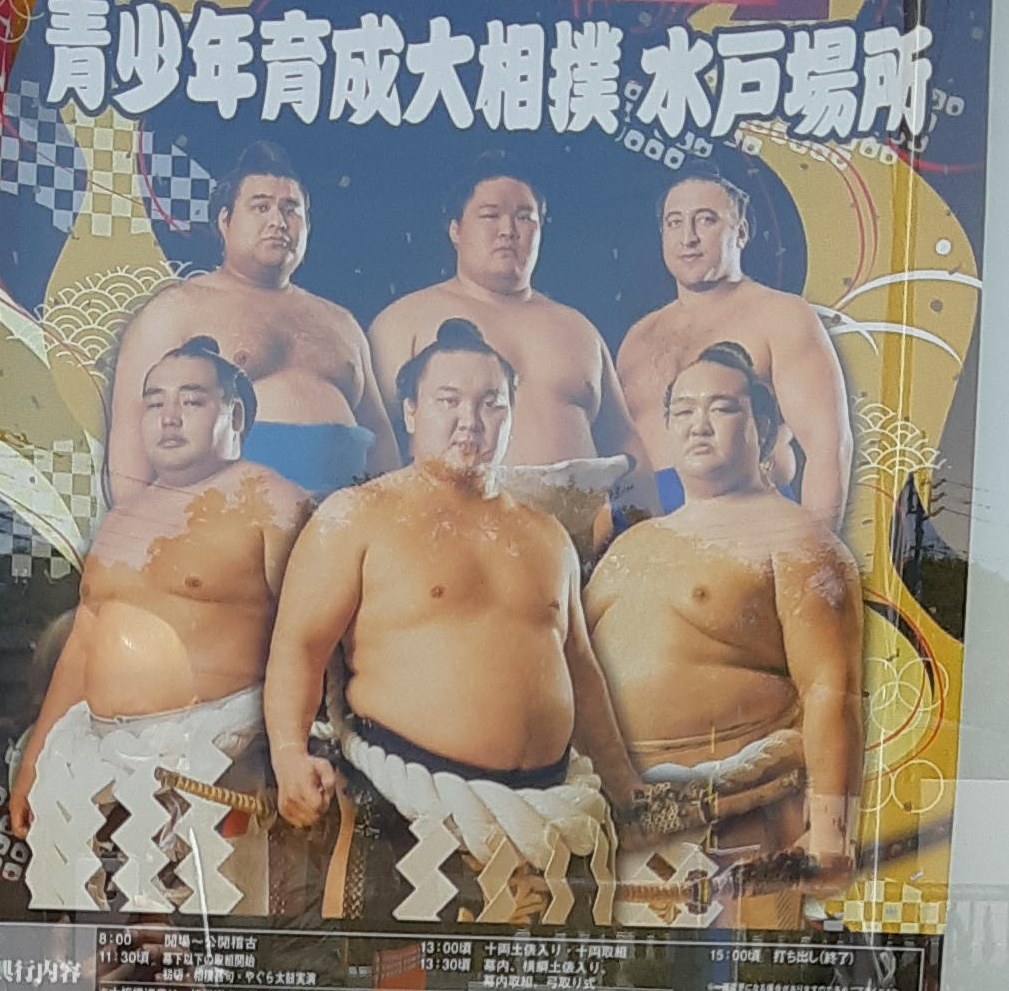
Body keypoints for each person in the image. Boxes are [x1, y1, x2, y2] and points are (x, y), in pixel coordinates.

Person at [262, 322, 649, 928]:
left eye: (491, 403)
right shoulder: (357, 517)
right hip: (406, 813)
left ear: (511, 414)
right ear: (412, 412)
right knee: (399, 988)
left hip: (551, 820)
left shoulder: (546, 535)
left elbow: (580, 670)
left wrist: (624, 786)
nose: (470, 420)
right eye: (448, 400)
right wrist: (288, 753)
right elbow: (300, 646)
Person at [6, 340, 312, 915]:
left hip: (221, 764)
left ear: (234, 416)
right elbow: (84, 642)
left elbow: (310, 639)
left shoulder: (271, 504)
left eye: (191, 401)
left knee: (221, 930)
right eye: (154, 403)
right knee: (115, 942)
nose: (169, 417)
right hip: (97, 766)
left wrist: (293, 753)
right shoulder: (122, 520)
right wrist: (34, 763)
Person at [587, 346, 862, 931]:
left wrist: (832, 829)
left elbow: (830, 689)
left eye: (722, 407)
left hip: (744, 814)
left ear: (765, 427)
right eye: (684, 411)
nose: (699, 424)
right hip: (612, 820)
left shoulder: (797, 540)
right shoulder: (631, 545)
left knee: (745, 979)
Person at [365, 166, 637, 567]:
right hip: (451, 545)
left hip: (583, 548)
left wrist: (647, 541)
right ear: (455, 229)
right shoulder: (403, 321)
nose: (508, 230)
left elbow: (626, 444)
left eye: (525, 217)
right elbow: (374, 443)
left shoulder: (579, 329)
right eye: (490, 215)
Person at [99, 143, 393, 511]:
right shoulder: (176, 311)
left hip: (342, 527)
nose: (278, 222)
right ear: (225, 221)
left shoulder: (341, 323)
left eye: (291, 209)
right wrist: (145, 530)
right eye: (261, 207)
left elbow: (382, 444)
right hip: (224, 524)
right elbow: (130, 457)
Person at [614, 162, 854, 532]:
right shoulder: (639, 337)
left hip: (750, 525)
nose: (688, 237)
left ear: (740, 232)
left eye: (706, 220)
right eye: (675, 223)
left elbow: (828, 446)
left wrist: (815, 555)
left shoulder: (781, 315)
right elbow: (625, 458)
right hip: (653, 536)